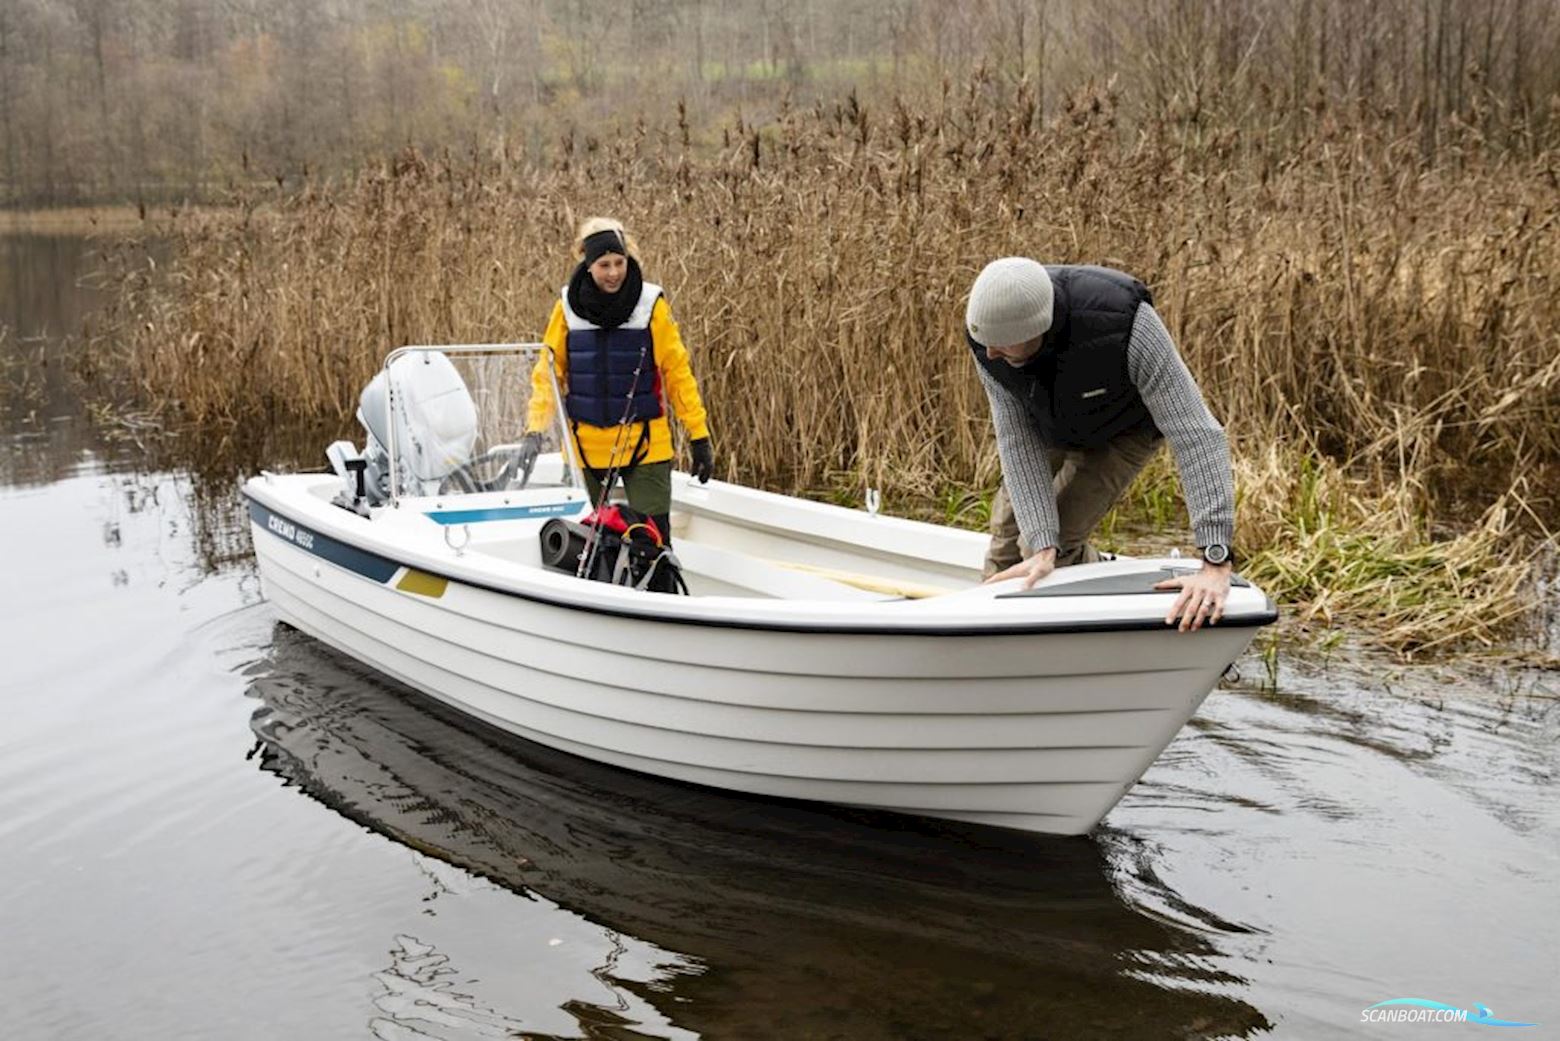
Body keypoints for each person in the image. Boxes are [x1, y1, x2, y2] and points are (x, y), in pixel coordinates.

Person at [965, 258, 1235, 631]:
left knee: (1059, 541)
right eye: (986, 343)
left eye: (1000, 345)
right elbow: (1017, 440)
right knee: (1011, 538)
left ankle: (1088, 594)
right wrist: (1043, 544)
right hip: (1049, 422)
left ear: (1038, 329)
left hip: (1125, 429)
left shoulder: (1124, 323)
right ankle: (989, 634)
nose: (990, 354)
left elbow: (1197, 434)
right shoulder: (989, 341)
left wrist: (1215, 559)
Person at [520, 217, 713, 543]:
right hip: (585, 447)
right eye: (603, 264)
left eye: (619, 263)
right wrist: (535, 429)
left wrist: (699, 435)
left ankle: (658, 590)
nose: (613, 273)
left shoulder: (651, 304)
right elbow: (548, 374)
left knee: (653, 542)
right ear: (588, 263)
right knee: (583, 546)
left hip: (645, 445)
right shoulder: (567, 307)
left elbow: (678, 373)